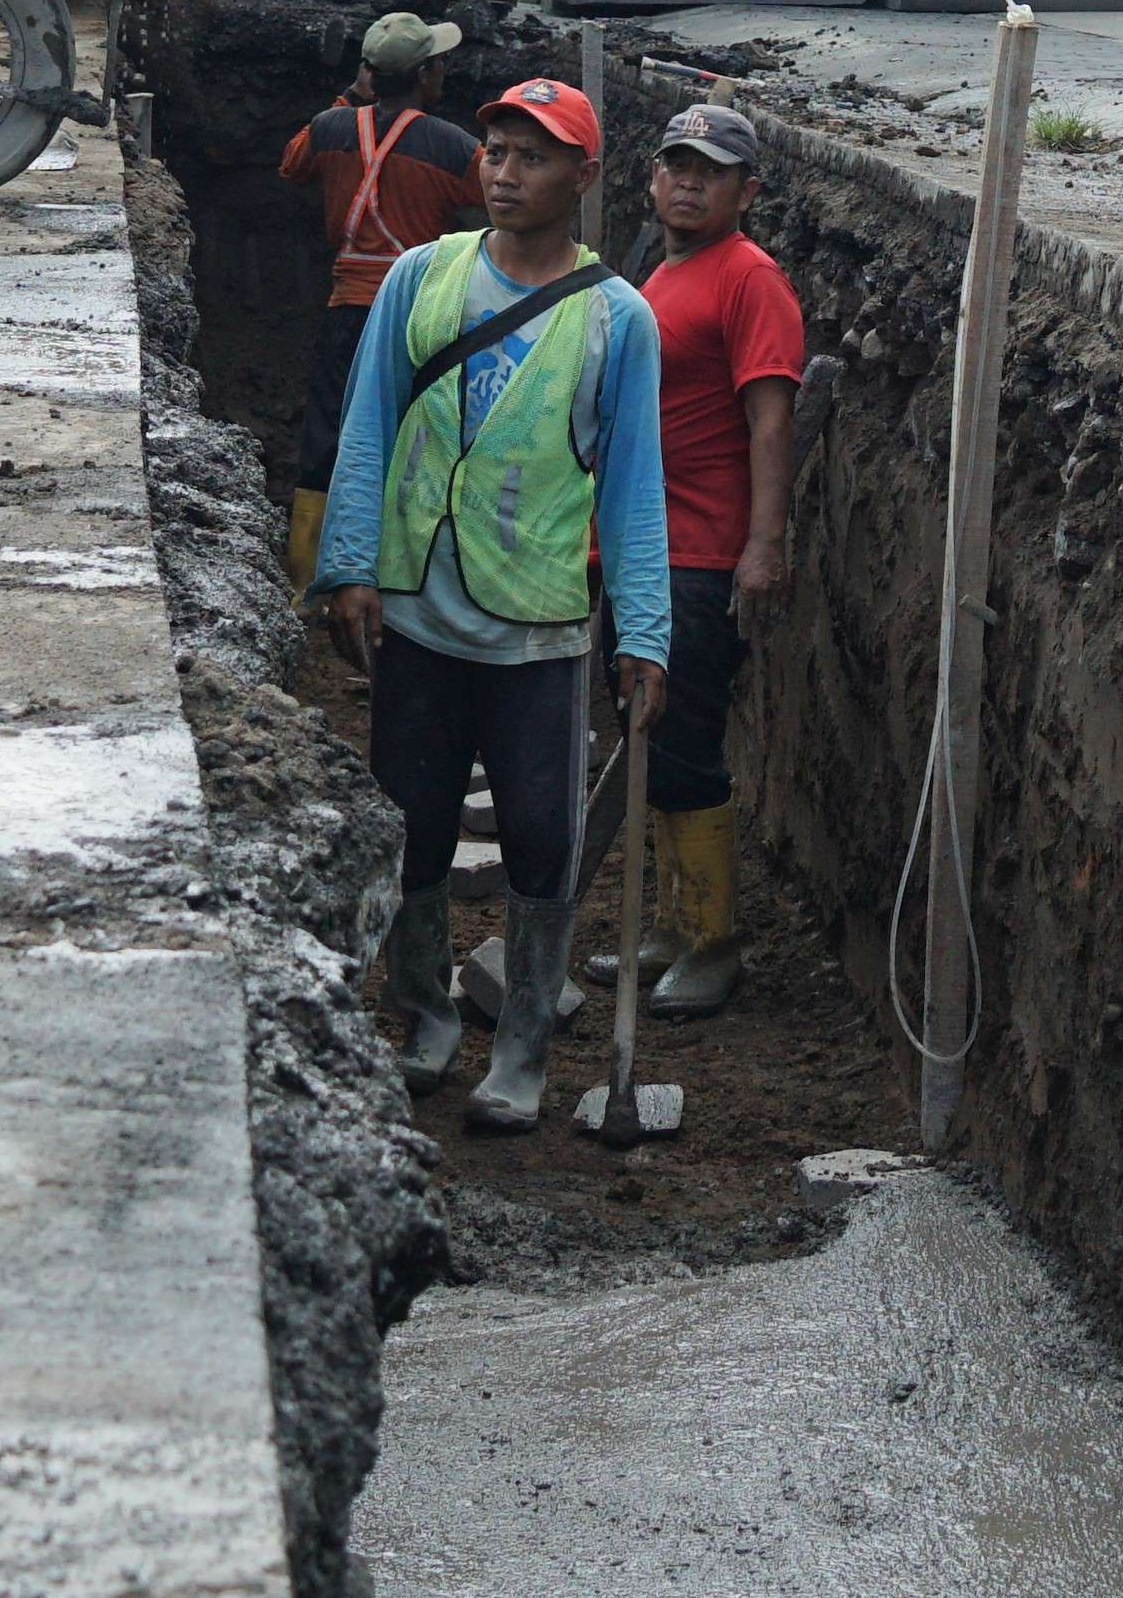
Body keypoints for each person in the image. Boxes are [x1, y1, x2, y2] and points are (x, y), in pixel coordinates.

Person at [317, 76, 669, 1135]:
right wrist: (349, 564)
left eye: (533, 154)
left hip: (539, 625)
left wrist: (643, 632)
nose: (504, 170)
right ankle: (422, 1010)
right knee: (412, 820)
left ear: (583, 175)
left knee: (537, 837)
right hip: (420, 606)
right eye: (495, 149)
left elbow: (633, 487)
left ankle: (519, 1044)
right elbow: (367, 423)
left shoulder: (617, 319)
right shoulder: (422, 280)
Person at [631, 104, 805, 1018]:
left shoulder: (750, 279)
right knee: (650, 735)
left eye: (711, 169)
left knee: (687, 741)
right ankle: (671, 920)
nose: (689, 181)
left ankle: (713, 941)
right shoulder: (664, 272)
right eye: (677, 165)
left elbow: (770, 418)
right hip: (644, 545)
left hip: (701, 554)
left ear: (747, 190)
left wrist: (762, 548)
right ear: (652, 178)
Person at [274, 11, 478, 571]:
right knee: (418, 437)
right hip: (421, 318)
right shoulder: (452, 146)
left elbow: (292, 164)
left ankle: (307, 577)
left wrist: (349, 99)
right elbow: (500, 195)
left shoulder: (331, 128)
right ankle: (401, 570)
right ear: (427, 77)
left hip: (348, 312)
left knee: (329, 435)